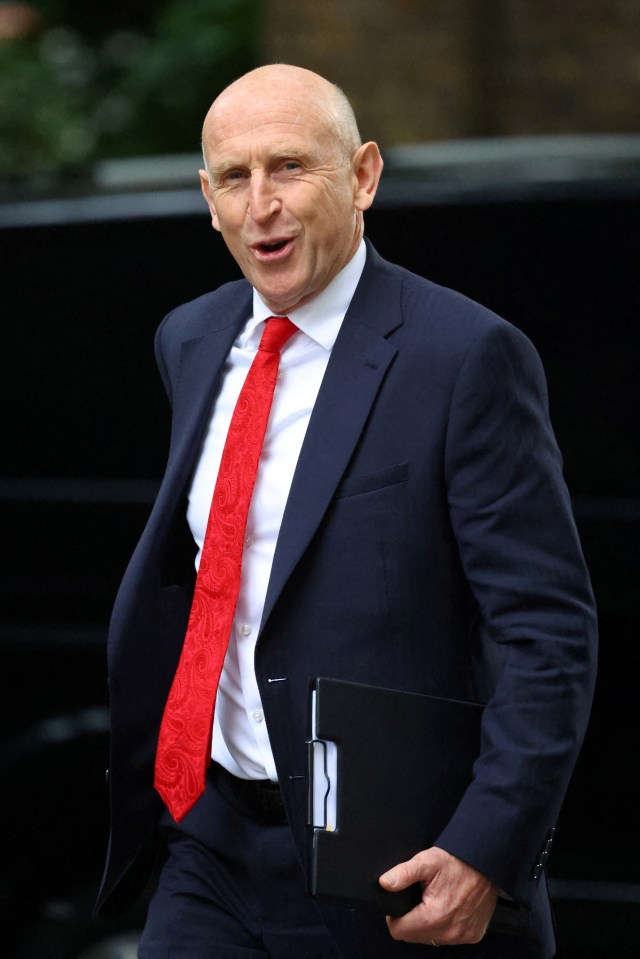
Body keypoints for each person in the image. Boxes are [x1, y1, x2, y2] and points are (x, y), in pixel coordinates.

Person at [95, 64, 597, 958]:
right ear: (207, 200)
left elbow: (545, 630)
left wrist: (487, 849)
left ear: (364, 175)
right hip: (208, 842)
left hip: (387, 865)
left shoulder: (466, 356)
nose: (263, 206)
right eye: (235, 178)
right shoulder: (191, 338)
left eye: (290, 167)